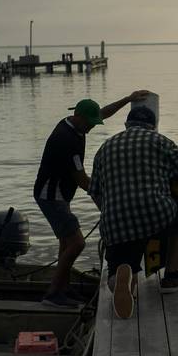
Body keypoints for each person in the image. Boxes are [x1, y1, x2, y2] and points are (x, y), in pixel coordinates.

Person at [34, 90, 149, 308]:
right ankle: (52, 294)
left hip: (59, 194)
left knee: (66, 243)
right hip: (51, 196)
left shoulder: (75, 124)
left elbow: (102, 113)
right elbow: (82, 179)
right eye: (90, 123)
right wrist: (108, 200)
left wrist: (127, 99)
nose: (93, 127)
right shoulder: (66, 139)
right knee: (77, 243)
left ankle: (63, 288)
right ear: (78, 116)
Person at [88, 106, 178, 319]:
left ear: (126, 125)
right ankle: (172, 276)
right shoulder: (161, 141)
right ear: (153, 126)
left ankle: (121, 278)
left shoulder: (105, 147)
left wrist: (114, 213)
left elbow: (95, 192)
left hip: (115, 223)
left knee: (120, 265)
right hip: (155, 215)